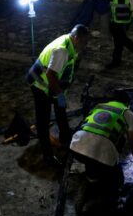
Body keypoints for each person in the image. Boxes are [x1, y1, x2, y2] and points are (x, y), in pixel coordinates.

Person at [26, 24, 91, 167]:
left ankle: (65, 135)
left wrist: (60, 93)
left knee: (60, 110)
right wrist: (59, 94)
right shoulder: (62, 50)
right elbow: (50, 74)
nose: (85, 45)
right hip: (40, 86)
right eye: (84, 41)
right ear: (76, 38)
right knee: (43, 120)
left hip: (53, 85)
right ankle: (47, 155)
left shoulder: (70, 43)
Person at [70, 91, 133, 196]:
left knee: (91, 158)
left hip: (76, 148)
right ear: (127, 103)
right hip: (102, 156)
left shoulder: (98, 106)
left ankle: (91, 178)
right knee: (118, 180)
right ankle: (106, 197)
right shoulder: (128, 113)